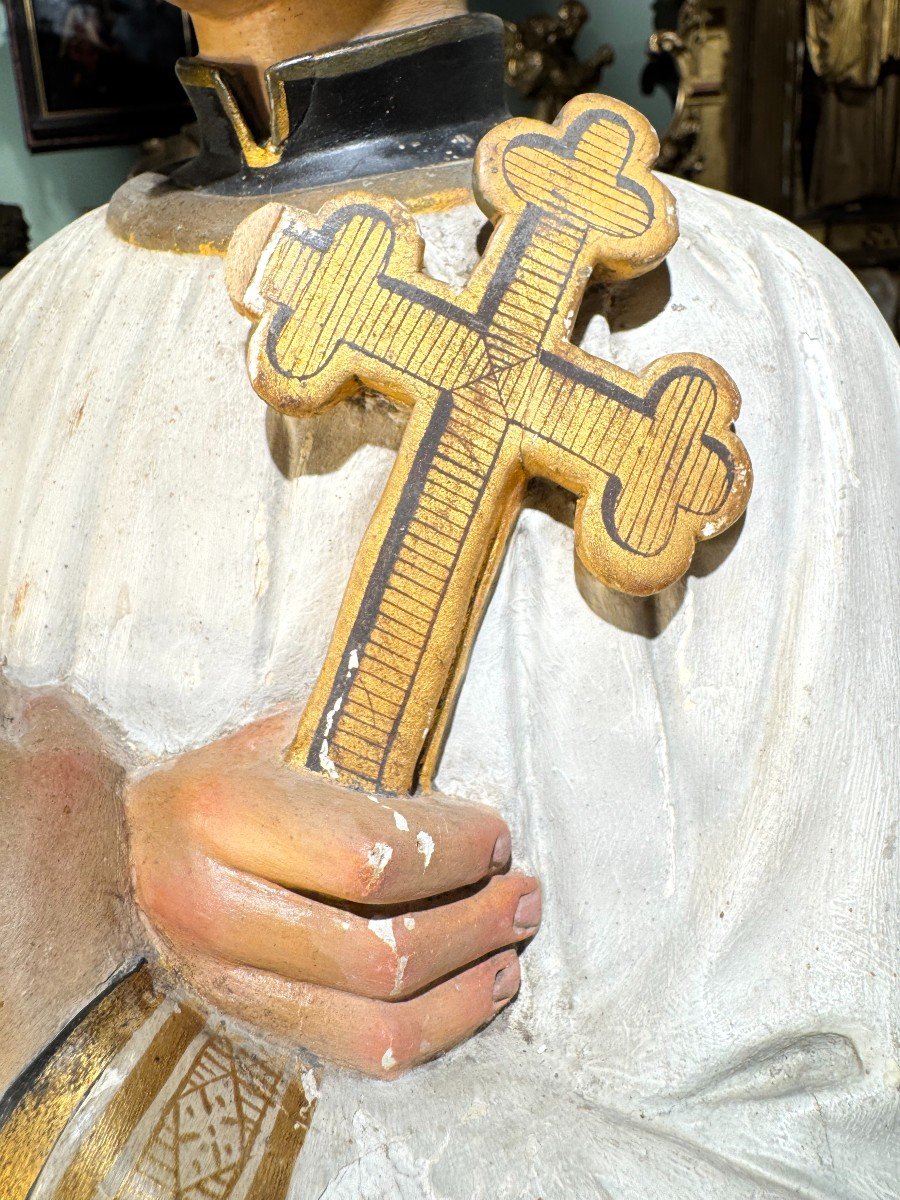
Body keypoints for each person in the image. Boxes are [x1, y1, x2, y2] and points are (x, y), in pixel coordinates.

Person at [0, 1, 897, 1195]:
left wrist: (115, 1029)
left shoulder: (786, 331)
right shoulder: (26, 318)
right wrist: (79, 858)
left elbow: (839, 1125)